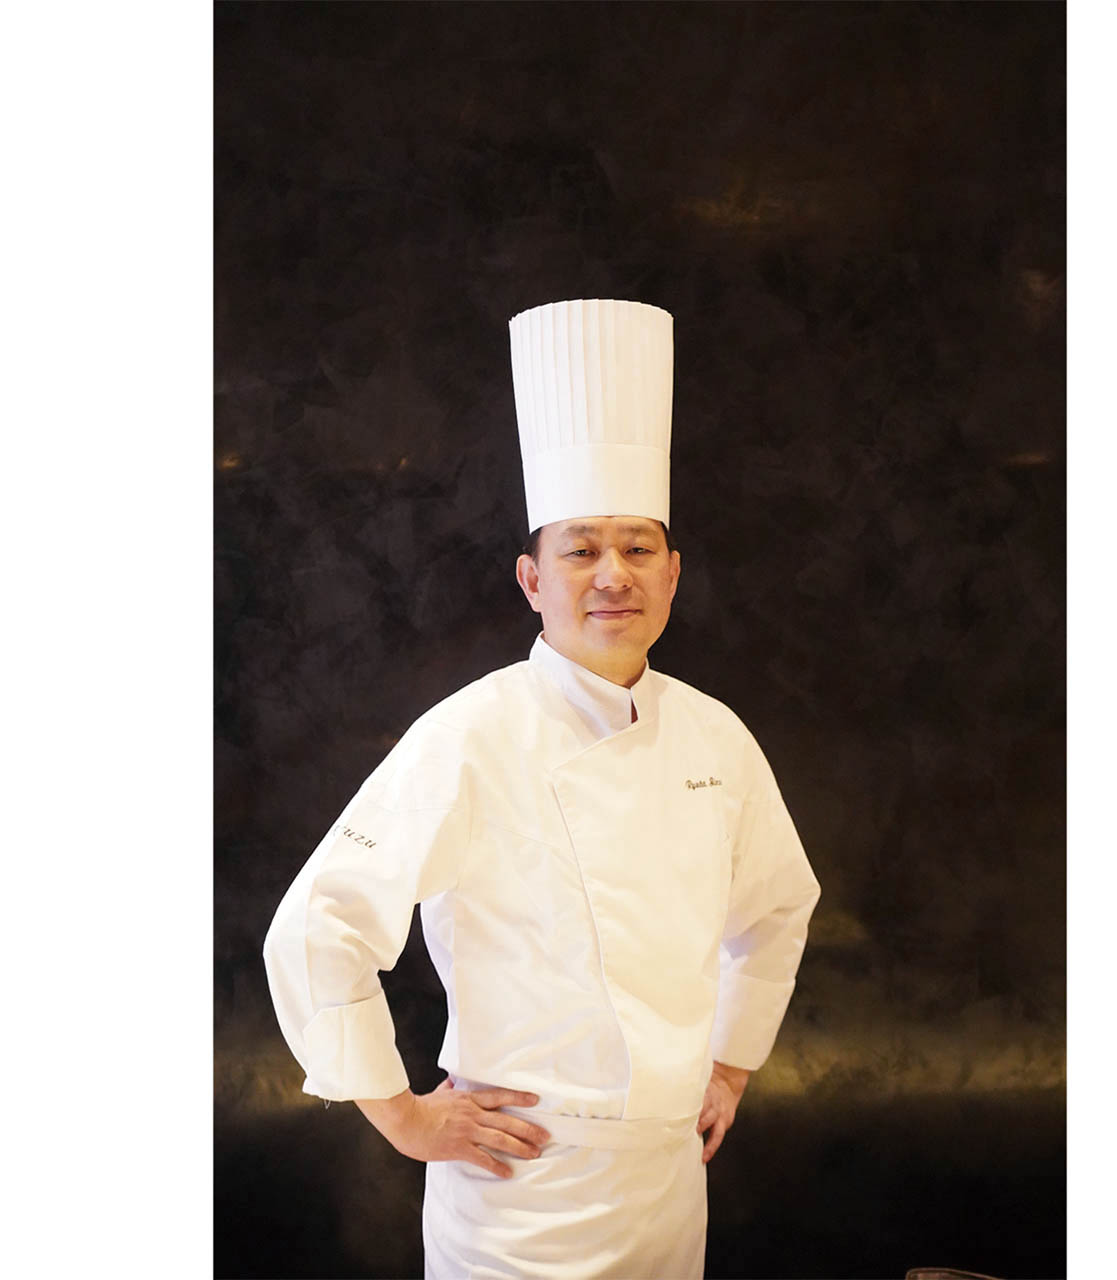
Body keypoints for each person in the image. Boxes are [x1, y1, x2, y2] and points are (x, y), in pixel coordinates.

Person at [263, 298, 821, 1279]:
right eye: (580, 549)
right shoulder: (471, 732)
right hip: (519, 1186)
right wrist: (402, 1114)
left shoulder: (715, 735)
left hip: (664, 1180)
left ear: (673, 573)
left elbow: (777, 906)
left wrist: (730, 1061)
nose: (612, 574)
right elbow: (318, 925)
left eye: (637, 548)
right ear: (531, 579)